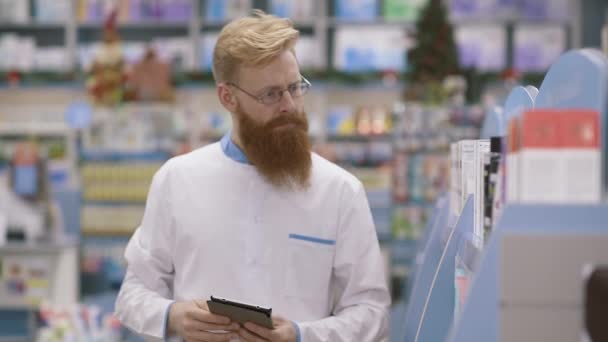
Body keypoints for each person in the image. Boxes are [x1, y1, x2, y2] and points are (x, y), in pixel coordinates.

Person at [115, 10, 390, 342]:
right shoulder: (177, 180)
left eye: (295, 87)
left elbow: (371, 311)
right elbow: (133, 293)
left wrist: (303, 336)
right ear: (228, 98)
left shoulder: (340, 191)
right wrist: (170, 315)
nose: (289, 105)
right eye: (271, 94)